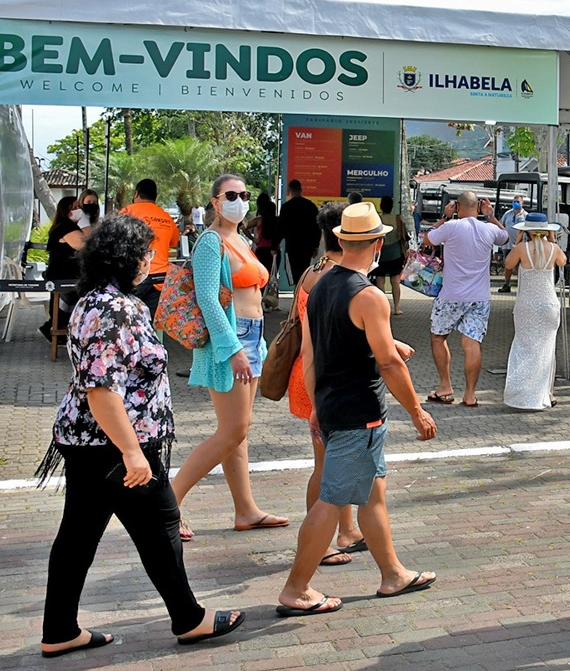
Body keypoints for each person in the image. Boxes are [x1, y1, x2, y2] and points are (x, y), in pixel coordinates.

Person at [35, 215, 245, 659]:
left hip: (89, 442)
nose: (152, 260)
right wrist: (132, 453)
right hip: (114, 444)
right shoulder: (117, 309)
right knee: (161, 524)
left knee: (78, 535)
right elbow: (102, 389)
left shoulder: (94, 300)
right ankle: (190, 619)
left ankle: (59, 629)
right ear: (125, 259)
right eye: (146, 253)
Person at [278, 201, 438, 617]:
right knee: (332, 502)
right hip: (358, 412)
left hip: (332, 406)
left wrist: (314, 406)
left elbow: (317, 353)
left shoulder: (318, 285)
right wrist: (417, 411)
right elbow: (387, 363)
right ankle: (297, 588)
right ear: (378, 243)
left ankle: (393, 573)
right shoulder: (368, 295)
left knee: (372, 496)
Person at [173, 174, 289, 541]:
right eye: (231, 195)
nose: (239, 200)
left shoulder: (240, 238)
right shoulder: (210, 241)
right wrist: (232, 348)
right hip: (231, 340)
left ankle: (246, 510)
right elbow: (208, 299)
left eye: (244, 194)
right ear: (215, 201)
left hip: (252, 337)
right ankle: (167, 506)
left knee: (239, 432)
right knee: (232, 431)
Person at [287, 203, 368, 566]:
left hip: (310, 373)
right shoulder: (339, 279)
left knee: (333, 463)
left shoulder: (311, 271)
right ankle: (320, 543)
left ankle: (346, 529)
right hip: (323, 377)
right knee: (326, 467)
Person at [421, 191, 509, 407]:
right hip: (479, 297)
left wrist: (445, 216)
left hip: (451, 295)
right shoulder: (489, 229)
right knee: (472, 344)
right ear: (478, 207)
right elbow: (505, 236)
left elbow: (427, 238)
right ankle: (470, 394)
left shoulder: (450, 227)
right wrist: (490, 216)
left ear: (457, 207)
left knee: (438, 337)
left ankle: (445, 386)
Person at [502, 213, 567, 410]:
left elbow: (508, 265)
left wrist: (518, 241)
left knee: (524, 347)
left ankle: (522, 393)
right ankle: (548, 393)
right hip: (549, 305)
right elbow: (563, 261)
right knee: (547, 350)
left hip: (527, 306)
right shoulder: (553, 249)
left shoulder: (522, 249)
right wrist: (553, 240)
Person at [120, 178, 181, 318]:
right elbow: (174, 242)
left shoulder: (128, 211)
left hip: (135, 276)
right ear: (155, 196)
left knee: (129, 320)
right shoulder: (165, 217)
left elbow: (116, 238)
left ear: (136, 194)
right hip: (160, 279)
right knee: (151, 323)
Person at [39, 196, 85, 342]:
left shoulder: (68, 226)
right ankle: (54, 329)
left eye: (79, 207)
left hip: (67, 274)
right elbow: (83, 245)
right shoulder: (66, 227)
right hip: (63, 276)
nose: (79, 210)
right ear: (66, 211)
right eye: (75, 207)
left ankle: (55, 328)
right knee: (69, 302)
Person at [368, 195, 409, 316]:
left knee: (380, 279)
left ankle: (382, 308)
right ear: (392, 207)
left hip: (380, 254)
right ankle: (396, 308)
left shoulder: (377, 219)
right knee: (395, 280)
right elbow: (404, 237)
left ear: (381, 206)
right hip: (395, 253)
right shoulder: (397, 219)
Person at [279, 180, 321, 285]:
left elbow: (281, 228)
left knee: (293, 273)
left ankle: (296, 294)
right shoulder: (310, 206)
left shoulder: (286, 207)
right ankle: (302, 294)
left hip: (291, 246)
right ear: (301, 189)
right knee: (305, 271)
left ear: (289, 191)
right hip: (307, 246)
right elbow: (317, 227)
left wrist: (276, 244)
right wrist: (316, 245)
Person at [244, 191, 280, 277]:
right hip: (275, 251)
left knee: (261, 276)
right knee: (273, 276)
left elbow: (243, 227)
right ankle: (271, 291)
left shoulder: (259, 220)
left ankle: (261, 290)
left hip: (261, 250)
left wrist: (253, 239)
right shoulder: (278, 220)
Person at [497, 196, 527, 293]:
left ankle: (522, 286)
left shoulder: (526, 215)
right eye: (514, 202)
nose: (515, 203)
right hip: (508, 245)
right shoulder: (507, 214)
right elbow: (501, 224)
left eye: (517, 202)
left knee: (522, 267)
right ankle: (507, 284)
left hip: (521, 246)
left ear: (522, 203)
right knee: (508, 265)